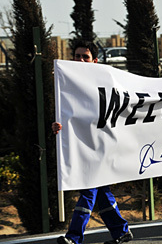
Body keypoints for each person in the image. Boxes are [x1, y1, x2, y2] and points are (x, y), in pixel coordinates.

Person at [54, 40, 133, 244]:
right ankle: (121, 231)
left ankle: (74, 237)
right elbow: (66, 116)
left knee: (89, 189)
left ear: (95, 61)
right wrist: (57, 126)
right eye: (77, 56)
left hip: (102, 146)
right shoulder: (66, 85)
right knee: (101, 191)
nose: (80, 60)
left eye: (85, 57)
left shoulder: (106, 83)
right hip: (81, 146)